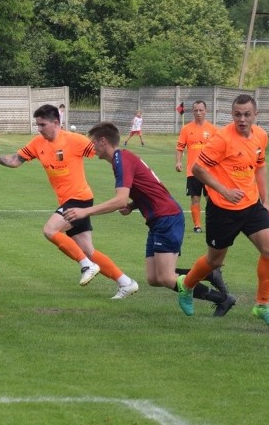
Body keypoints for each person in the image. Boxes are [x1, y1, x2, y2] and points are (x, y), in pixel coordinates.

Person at [64, 122, 235, 316]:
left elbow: (120, 199)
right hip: (158, 219)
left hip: (167, 218)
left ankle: (222, 299)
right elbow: (150, 187)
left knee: (166, 277)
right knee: (154, 278)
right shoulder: (121, 160)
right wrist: (133, 204)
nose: (92, 148)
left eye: (93, 143)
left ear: (104, 141)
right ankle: (208, 273)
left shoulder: (122, 160)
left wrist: (85, 212)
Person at [0, 104, 139, 299]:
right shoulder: (37, 144)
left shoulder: (75, 140)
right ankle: (126, 282)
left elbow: (106, 152)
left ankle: (86, 265)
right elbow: (15, 160)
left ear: (56, 122)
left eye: (42, 125)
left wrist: (127, 178)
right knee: (88, 250)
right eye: (37, 125)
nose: (39, 129)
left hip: (79, 198)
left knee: (50, 230)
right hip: (69, 200)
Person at [176, 94, 269, 326]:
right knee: (214, 261)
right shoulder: (222, 138)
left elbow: (260, 167)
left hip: (251, 204)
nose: (242, 119)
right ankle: (186, 286)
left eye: (246, 114)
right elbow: (197, 169)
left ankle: (262, 305)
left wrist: (266, 202)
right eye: (237, 114)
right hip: (222, 208)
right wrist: (224, 191)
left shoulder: (261, 136)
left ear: (256, 115)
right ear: (232, 115)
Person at [175, 100, 218, 233]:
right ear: (192, 112)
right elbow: (180, 147)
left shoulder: (213, 130)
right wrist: (178, 161)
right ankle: (197, 226)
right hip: (193, 171)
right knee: (195, 198)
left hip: (209, 171)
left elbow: (218, 150)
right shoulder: (186, 129)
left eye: (201, 110)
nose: (198, 113)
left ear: (206, 111)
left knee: (211, 199)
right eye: (196, 110)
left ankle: (212, 224)